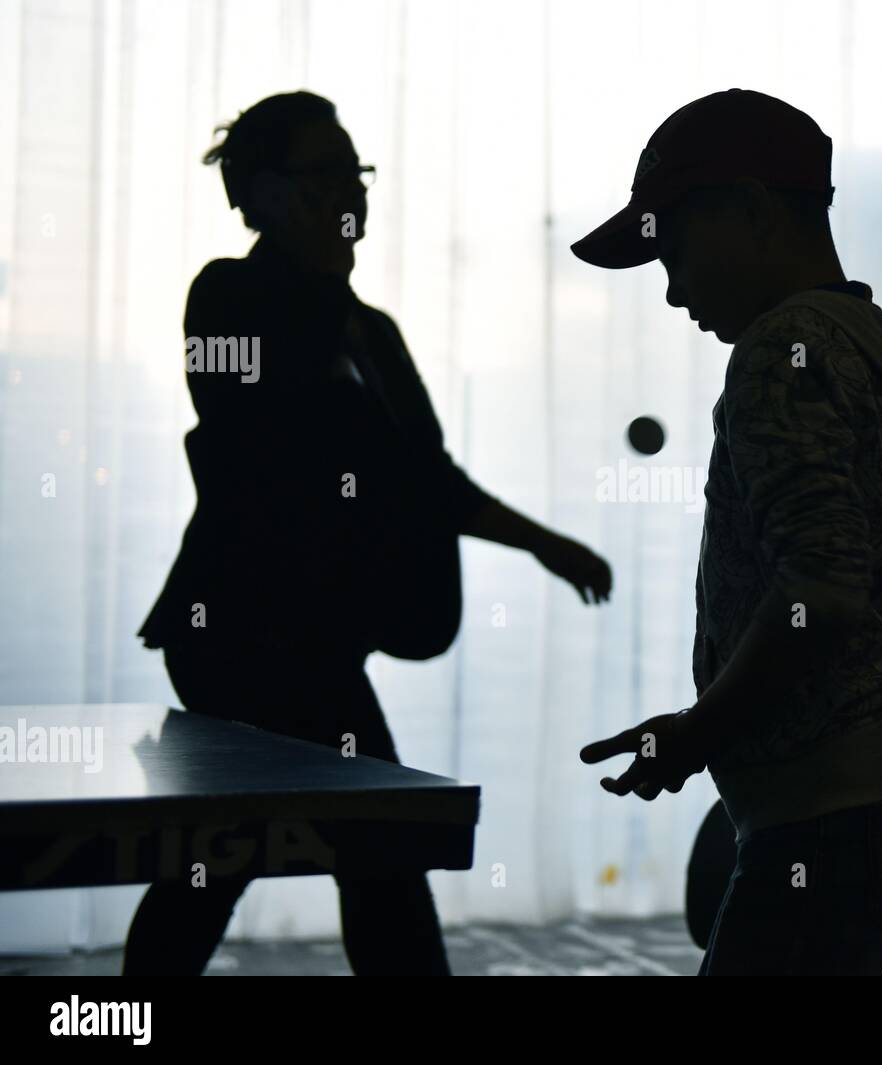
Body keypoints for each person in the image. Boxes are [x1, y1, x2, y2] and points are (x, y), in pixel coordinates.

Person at [127, 91, 612, 976]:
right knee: (361, 844)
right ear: (266, 195)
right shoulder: (228, 297)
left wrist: (542, 542)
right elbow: (274, 431)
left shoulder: (373, 332)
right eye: (327, 171)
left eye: (356, 170)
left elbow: (424, 478)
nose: (351, 188)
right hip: (240, 635)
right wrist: (325, 278)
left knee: (235, 854)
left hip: (312, 643)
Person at [574, 89, 882, 975]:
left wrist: (699, 733)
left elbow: (822, 588)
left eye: (674, 251)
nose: (674, 290)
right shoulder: (880, 344)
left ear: (752, 211)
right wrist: (852, 723)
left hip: (830, 811)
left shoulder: (774, 352)